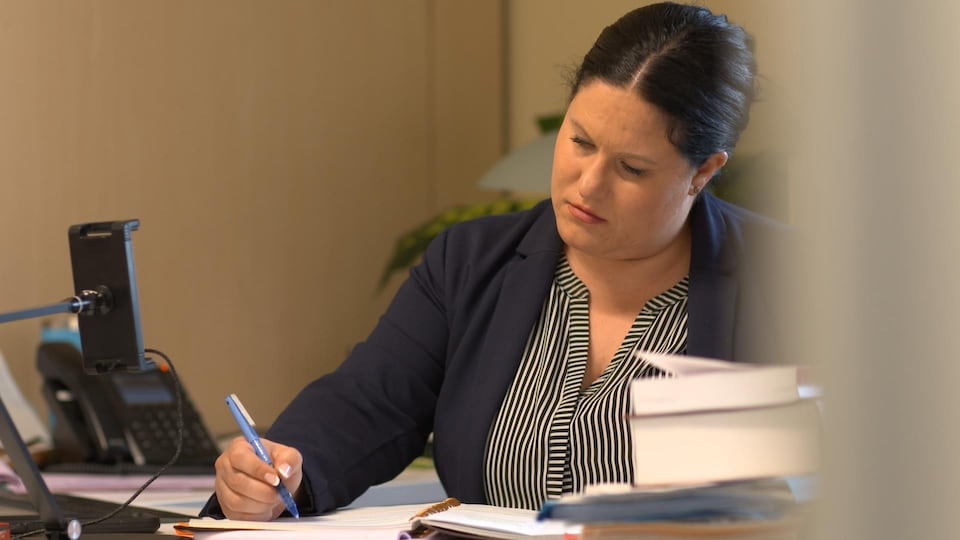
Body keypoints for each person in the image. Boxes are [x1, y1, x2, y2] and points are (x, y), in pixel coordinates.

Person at [203, 1, 788, 519]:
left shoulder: (793, 281)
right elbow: (368, 403)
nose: (587, 184)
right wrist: (275, 475)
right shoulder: (472, 262)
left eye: (632, 169)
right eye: (580, 141)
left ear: (704, 172)